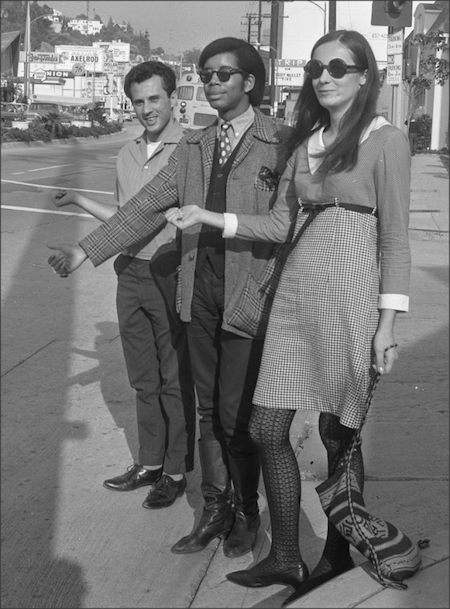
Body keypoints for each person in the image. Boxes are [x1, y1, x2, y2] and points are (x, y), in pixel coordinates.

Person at [164, 30, 411, 605]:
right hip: (295, 297)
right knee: (267, 427)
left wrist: (387, 324)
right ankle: (285, 556)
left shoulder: (386, 140)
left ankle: (333, 552)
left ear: (364, 76)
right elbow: (279, 224)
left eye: (338, 67)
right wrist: (211, 216)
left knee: (336, 431)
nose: (324, 76)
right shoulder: (304, 143)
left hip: (350, 295)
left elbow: (395, 238)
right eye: (317, 68)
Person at [47, 37, 293, 558]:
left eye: (225, 73)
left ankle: (247, 512)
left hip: (249, 292)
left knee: (237, 414)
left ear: (250, 82)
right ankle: (214, 508)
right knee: (207, 411)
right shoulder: (195, 148)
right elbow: (142, 209)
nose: (213, 81)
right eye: (206, 73)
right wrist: (84, 253)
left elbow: (287, 224)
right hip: (198, 291)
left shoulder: (281, 141)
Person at [50, 61, 196, 510]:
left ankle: (175, 471)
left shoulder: (190, 149)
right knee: (142, 378)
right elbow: (125, 220)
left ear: (173, 97)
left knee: (174, 378)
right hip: (130, 272)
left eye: (155, 98)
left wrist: (84, 252)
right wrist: (78, 199)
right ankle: (150, 463)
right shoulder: (127, 152)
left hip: (169, 271)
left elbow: (149, 217)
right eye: (138, 101)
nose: (147, 109)